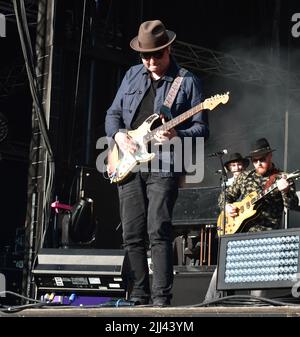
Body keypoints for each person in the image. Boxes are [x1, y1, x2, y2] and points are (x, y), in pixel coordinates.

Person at [105, 20, 209, 306]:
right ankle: (139, 295)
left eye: (157, 55)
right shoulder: (131, 75)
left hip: (164, 164)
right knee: (132, 233)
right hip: (129, 162)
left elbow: (202, 129)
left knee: (158, 230)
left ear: (169, 49)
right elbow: (112, 114)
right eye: (145, 56)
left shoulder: (186, 81)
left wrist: (178, 133)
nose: (151, 61)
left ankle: (161, 299)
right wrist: (118, 135)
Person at [205, 138, 299, 301]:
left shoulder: (282, 178)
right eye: (255, 161)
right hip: (240, 235)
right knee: (219, 278)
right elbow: (224, 197)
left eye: (262, 159)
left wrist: (285, 191)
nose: (258, 163)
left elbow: (292, 205)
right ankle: (208, 306)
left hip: (266, 238)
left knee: (257, 293)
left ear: (269, 156)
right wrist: (227, 206)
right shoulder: (245, 177)